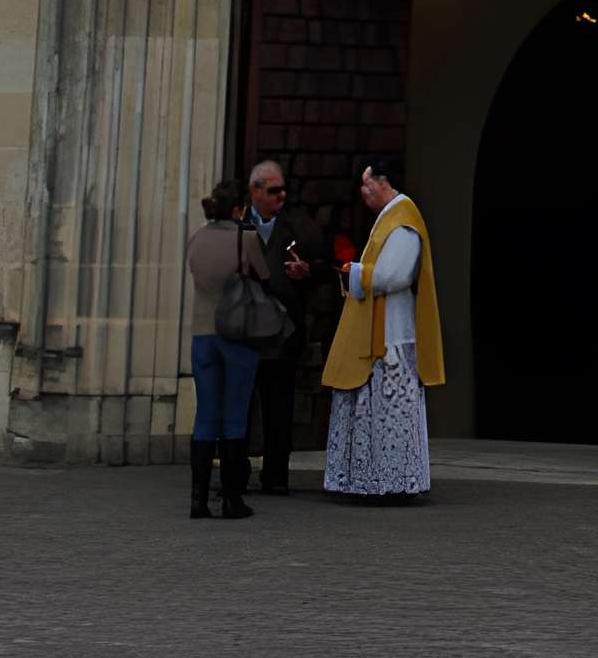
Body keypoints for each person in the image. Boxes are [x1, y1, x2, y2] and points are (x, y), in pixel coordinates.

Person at [320, 156, 442, 505]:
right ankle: (369, 480)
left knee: (390, 414)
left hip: (393, 336)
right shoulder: (389, 218)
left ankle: (393, 481)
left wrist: (354, 273)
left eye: (366, 182)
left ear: (384, 182)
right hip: (381, 331)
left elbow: (395, 275)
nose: (362, 190)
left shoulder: (404, 221)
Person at [183, 178, 275, 521]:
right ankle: (232, 498)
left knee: (206, 415)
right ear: (239, 209)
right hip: (236, 333)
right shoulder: (246, 237)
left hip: (202, 333)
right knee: (235, 416)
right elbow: (264, 277)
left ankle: (198, 500)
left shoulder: (196, 237)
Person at [241, 157, 330, 494]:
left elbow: (324, 264)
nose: (281, 197)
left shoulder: (298, 223)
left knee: (279, 406)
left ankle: (276, 476)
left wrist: (306, 271)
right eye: (274, 191)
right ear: (256, 191)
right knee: (241, 403)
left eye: (283, 191)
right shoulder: (237, 223)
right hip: (244, 330)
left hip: (282, 331)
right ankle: (236, 469)